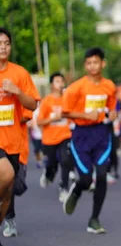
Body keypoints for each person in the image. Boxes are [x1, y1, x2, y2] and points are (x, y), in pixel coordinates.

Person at [61, 47, 117, 234]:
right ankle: (77, 190)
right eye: (89, 63)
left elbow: (110, 108)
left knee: (101, 175)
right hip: (81, 135)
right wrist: (85, 114)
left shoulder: (109, 86)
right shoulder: (76, 88)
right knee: (86, 178)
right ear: (85, 65)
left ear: (103, 63)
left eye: (96, 62)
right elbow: (64, 111)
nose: (92, 66)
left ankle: (94, 219)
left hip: (101, 133)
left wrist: (112, 114)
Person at [0, 28, 39, 246]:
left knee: (7, 195)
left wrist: (16, 92)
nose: (3, 47)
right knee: (4, 175)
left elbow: (33, 104)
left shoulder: (20, 73)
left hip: (14, 140)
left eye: (6, 43)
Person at [37, 72, 74, 202]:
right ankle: (48, 174)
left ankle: (63, 188)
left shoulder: (67, 99)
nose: (60, 84)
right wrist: (54, 118)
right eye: (57, 81)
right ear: (52, 85)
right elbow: (39, 122)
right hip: (49, 138)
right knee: (52, 163)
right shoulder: (47, 101)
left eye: (62, 81)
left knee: (65, 160)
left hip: (65, 135)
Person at [2, 107, 35, 239]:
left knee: (18, 187)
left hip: (16, 148)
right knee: (7, 182)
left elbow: (27, 115)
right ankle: (10, 220)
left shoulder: (17, 99)